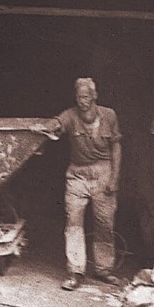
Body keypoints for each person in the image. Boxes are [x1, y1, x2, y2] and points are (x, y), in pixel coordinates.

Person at [33, 77, 122, 290]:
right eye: (79, 97)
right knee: (73, 222)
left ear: (94, 96)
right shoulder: (71, 115)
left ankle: (103, 269)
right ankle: (75, 272)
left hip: (103, 170)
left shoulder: (109, 115)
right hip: (77, 174)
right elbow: (57, 123)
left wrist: (114, 179)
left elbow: (116, 148)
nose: (82, 101)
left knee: (104, 223)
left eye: (86, 96)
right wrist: (43, 127)